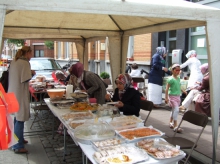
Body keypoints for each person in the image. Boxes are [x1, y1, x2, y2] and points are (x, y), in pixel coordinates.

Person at [8, 46, 35, 153]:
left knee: (16, 118)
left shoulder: (14, 61)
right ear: (27, 53)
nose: (31, 56)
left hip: (12, 92)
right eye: (31, 53)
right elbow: (25, 78)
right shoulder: (24, 63)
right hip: (19, 94)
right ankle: (18, 146)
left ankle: (18, 139)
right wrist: (32, 73)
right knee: (20, 119)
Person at [165, 64, 183, 133]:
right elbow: (167, 89)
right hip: (172, 96)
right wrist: (166, 98)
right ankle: (176, 125)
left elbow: (178, 86)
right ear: (172, 70)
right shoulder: (170, 79)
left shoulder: (178, 78)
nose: (178, 72)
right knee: (176, 110)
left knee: (173, 110)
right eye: (176, 70)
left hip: (178, 96)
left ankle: (170, 122)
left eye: (179, 70)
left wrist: (183, 91)